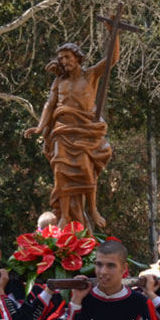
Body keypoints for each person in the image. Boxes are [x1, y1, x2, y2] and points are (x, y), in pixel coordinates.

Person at [23, 35, 120, 229]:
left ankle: (92, 209)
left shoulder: (91, 75)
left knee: (86, 170)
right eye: (61, 58)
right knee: (61, 172)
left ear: (77, 58)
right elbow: (49, 106)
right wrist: (41, 127)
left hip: (85, 131)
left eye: (67, 57)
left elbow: (112, 59)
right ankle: (65, 216)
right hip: (62, 131)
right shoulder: (59, 82)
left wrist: (113, 34)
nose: (64, 61)